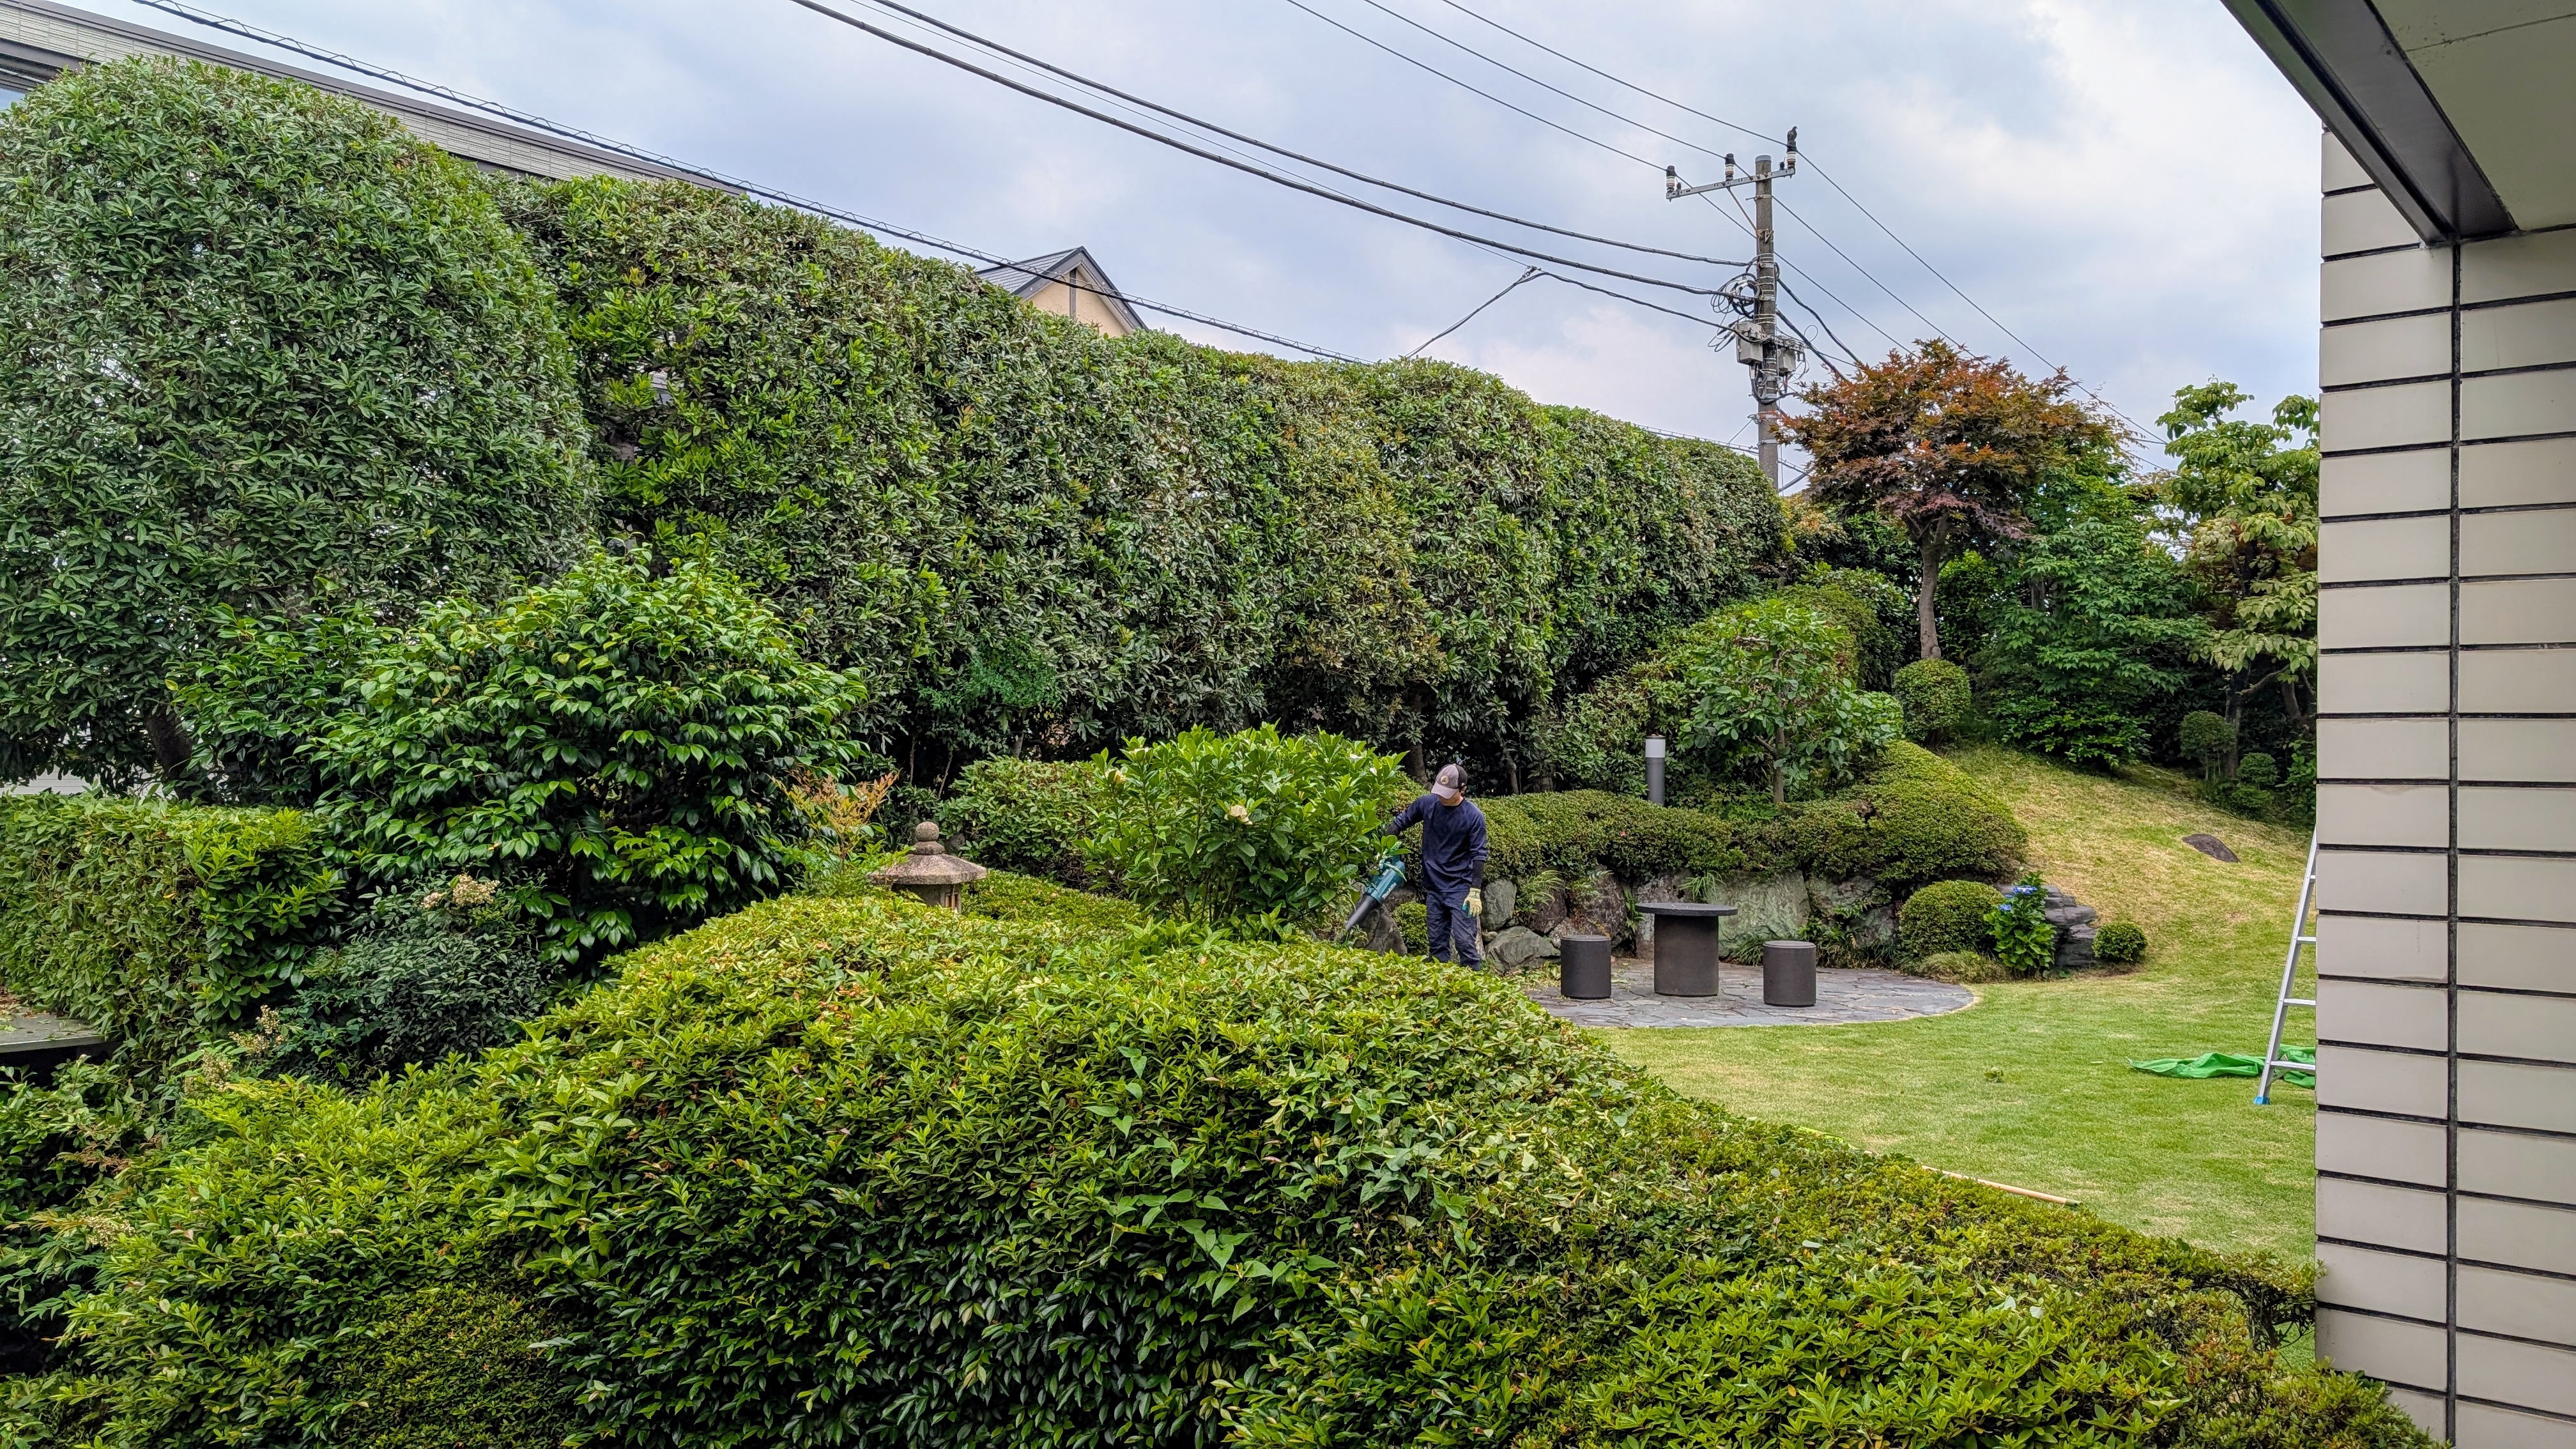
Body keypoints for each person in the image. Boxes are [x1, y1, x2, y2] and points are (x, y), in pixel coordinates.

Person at [1382, 762, 1487, 967]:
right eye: (1440, 789)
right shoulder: (1428, 804)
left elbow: (1479, 855)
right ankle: (1441, 991)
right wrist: (1385, 845)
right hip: (1434, 889)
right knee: (1437, 946)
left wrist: (1475, 891)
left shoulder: (1473, 817)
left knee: (1465, 944)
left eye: (1447, 792)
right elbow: (1401, 822)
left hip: (1461, 890)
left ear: (1462, 789)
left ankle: (1476, 993)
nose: (1441, 795)